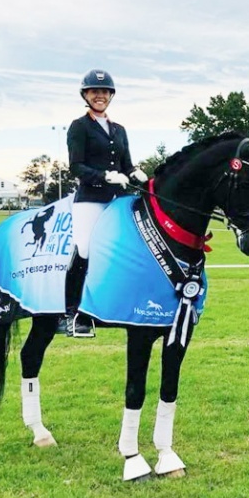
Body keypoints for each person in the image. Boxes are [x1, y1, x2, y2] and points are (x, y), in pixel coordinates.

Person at [64, 69, 148, 337]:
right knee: (86, 248)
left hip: (118, 200)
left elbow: (127, 164)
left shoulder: (119, 130)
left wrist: (136, 173)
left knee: (130, 249)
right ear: (86, 95)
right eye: (94, 92)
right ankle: (72, 313)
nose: (100, 96)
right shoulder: (79, 127)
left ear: (111, 96)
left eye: (104, 92)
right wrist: (103, 176)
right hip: (90, 199)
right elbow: (76, 166)